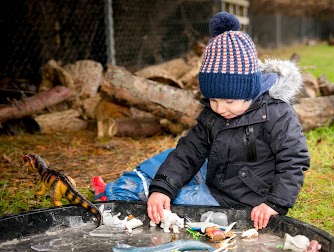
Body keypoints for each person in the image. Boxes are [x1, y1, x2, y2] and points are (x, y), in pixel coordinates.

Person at [92, 12, 310, 230]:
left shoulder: (277, 114)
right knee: (166, 163)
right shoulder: (213, 113)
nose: (220, 108)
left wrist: (274, 203)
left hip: (240, 197)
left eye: (228, 101)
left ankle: (131, 202)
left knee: (176, 205)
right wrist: (162, 187)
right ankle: (116, 194)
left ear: (250, 91)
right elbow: (190, 151)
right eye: (213, 100)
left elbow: (293, 160)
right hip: (215, 169)